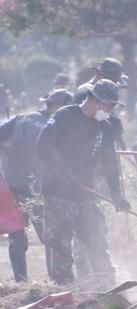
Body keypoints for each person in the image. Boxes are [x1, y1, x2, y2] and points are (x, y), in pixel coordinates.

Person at [37, 80, 130, 286]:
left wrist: (117, 195)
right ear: (95, 100)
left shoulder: (104, 128)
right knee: (61, 242)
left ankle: (106, 284)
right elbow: (43, 146)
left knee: (96, 237)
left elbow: (110, 162)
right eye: (108, 106)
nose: (110, 110)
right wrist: (64, 171)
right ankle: (64, 287)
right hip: (58, 191)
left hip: (85, 192)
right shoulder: (64, 116)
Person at [0, 89, 73, 282]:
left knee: (16, 237)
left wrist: (7, 150)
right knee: (49, 235)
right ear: (54, 106)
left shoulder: (21, 119)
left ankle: (21, 280)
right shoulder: (52, 126)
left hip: (13, 184)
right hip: (38, 188)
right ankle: (54, 279)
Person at [74, 58, 129, 152]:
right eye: (111, 80)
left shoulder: (106, 93)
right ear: (100, 74)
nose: (113, 84)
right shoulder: (85, 92)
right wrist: (111, 121)